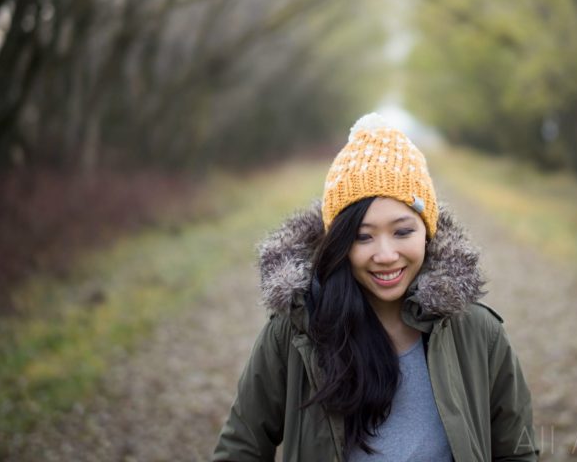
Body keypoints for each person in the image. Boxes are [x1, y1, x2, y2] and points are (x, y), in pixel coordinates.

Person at [212, 113, 539, 461]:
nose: (385, 255)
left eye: (402, 232)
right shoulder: (296, 332)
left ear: (427, 233)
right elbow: (240, 448)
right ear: (338, 243)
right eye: (362, 236)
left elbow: (516, 452)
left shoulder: (478, 333)